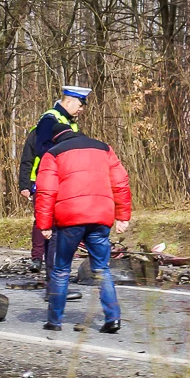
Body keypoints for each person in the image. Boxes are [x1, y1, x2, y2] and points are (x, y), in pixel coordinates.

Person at [35, 123, 132, 333]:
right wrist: (123, 216)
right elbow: (120, 182)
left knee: (61, 270)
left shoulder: (53, 154)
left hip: (70, 218)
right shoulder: (103, 148)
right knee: (101, 269)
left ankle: (54, 321)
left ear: (55, 139)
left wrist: (44, 224)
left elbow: (46, 191)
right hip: (101, 217)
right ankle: (113, 319)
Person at [30, 87, 86, 280]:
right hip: (51, 179)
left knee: (61, 229)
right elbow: (42, 149)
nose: (81, 110)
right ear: (69, 101)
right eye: (80, 105)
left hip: (64, 179)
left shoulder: (70, 123)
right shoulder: (50, 119)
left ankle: (56, 280)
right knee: (53, 231)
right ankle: (54, 282)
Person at [18, 126, 45, 272]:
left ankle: (56, 260)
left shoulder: (70, 130)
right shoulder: (37, 132)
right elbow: (27, 159)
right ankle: (37, 258)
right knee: (40, 220)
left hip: (62, 182)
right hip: (39, 182)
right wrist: (24, 185)